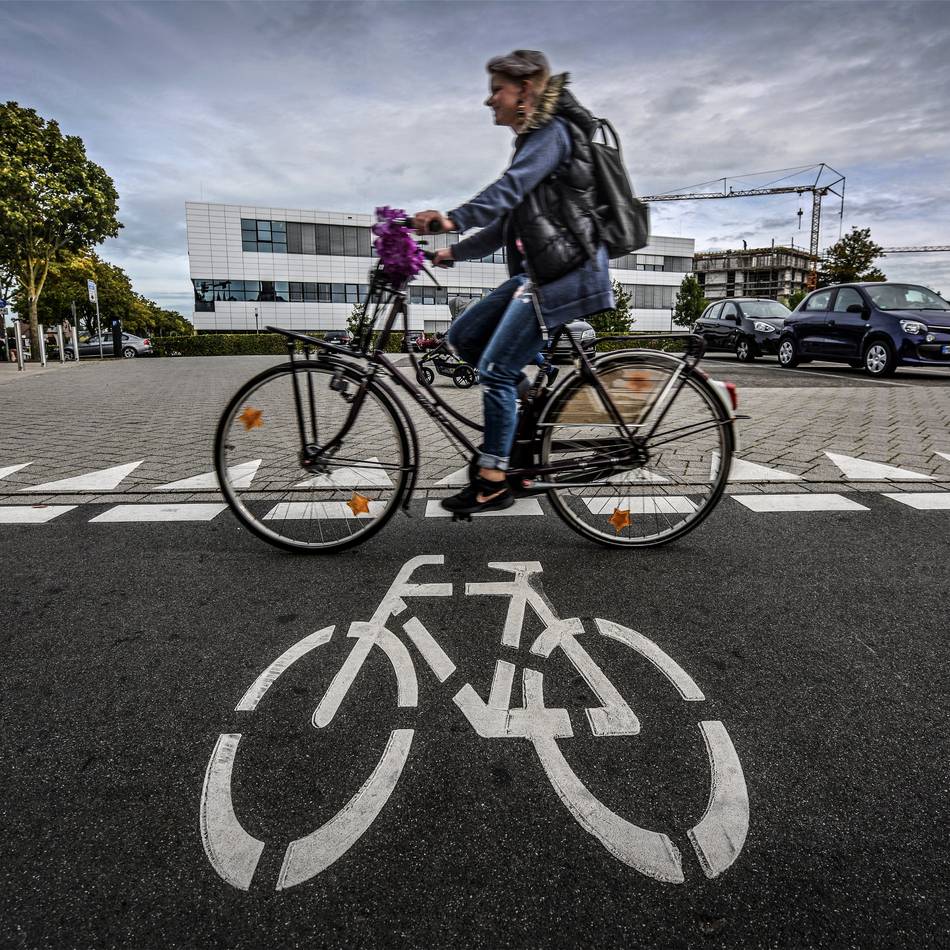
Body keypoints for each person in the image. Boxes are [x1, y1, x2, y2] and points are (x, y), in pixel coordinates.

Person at [414, 49, 613, 515]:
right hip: (537, 272)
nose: (489, 101)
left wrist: (450, 219)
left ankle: (494, 479)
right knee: (463, 337)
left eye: (496, 90)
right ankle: (526, 416)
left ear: (524, 91)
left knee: (498, 371)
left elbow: (505, 193)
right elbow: (507, 224)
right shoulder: (533, 141)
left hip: (567, 272)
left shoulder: (551, 134)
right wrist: (452, 251)